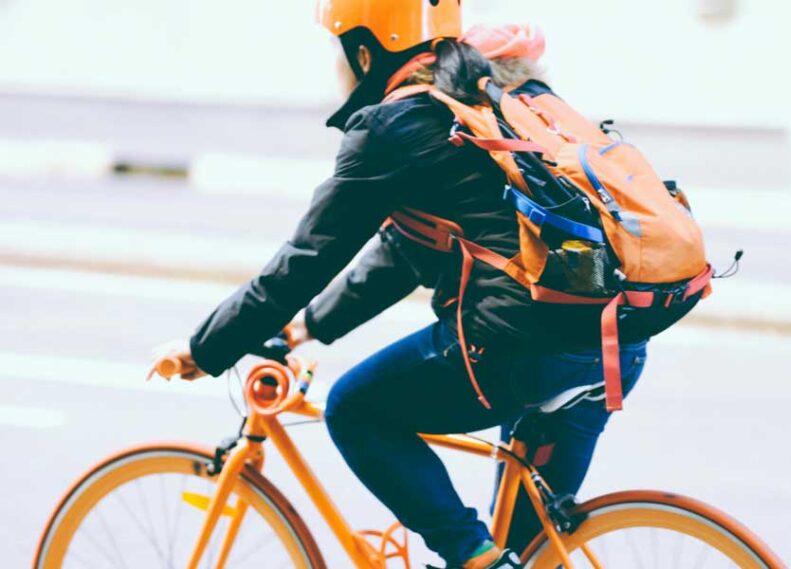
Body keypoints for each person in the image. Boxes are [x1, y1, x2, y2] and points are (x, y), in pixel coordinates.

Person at [153, 2, 698, 567]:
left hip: (518, 351)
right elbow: (406, 252)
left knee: (355, 409)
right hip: (612, 344)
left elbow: (305, 259)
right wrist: (306, 328)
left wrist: (203, 348)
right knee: (528, 554)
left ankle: (468, 554)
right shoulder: (485, 100)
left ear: (365, 51)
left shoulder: (392, 126)